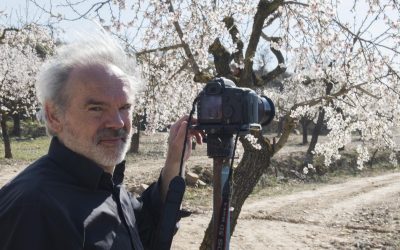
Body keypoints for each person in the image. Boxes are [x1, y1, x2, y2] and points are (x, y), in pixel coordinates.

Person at [0, 31, 202, 250]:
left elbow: (148, 235)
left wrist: (174, 161)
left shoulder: (106, 183)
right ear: (54, 115)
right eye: (96, 108)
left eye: (124, 108)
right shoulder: (34, 209)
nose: (117, 123)